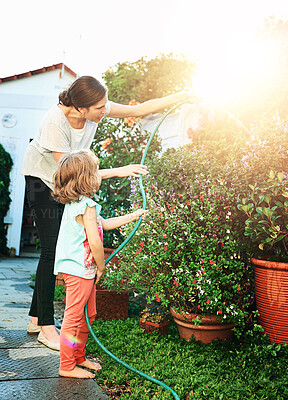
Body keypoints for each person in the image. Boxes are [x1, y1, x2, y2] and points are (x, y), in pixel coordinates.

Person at [21, 75, 192, 350]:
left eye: (104, 105)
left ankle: (34, 319)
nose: (106, 111)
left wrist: (180, 95)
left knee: (54, 247)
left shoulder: (94, 107)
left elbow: (138, 110)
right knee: (51, 251)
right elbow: (70, 174)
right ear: (80, 108)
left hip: (69, 175)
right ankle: (45, 327)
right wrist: (120, 170)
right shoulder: (55, 123)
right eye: (100, 108)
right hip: (43, 181)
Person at [51, 149, 147, 378]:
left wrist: (132, 216)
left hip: (79, 269)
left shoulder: (79, 204)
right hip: (80, 270)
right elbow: (95, 241)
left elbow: (102, 224)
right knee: (73, 317)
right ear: (87, 178)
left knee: (88, 314)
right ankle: (66, 366)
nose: (99, 175)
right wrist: (101, 266)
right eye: (95, 171)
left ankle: (78, 356)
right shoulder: (86, 206)